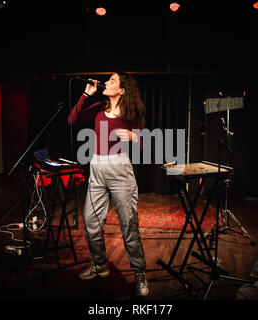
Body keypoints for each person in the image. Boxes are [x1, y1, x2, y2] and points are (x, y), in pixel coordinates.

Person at [67, 72, 149, 297]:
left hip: (120, 171)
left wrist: (133, 137)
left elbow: (144, 145)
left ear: (123, 90)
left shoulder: (132, 114)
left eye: (113, 80)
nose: (107, 82)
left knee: (128, 226)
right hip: (97, 168)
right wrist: (86, 94)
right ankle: (100, 265)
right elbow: (72, 120)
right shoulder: (97, 109)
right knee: (91, 222)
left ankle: (139, 272)